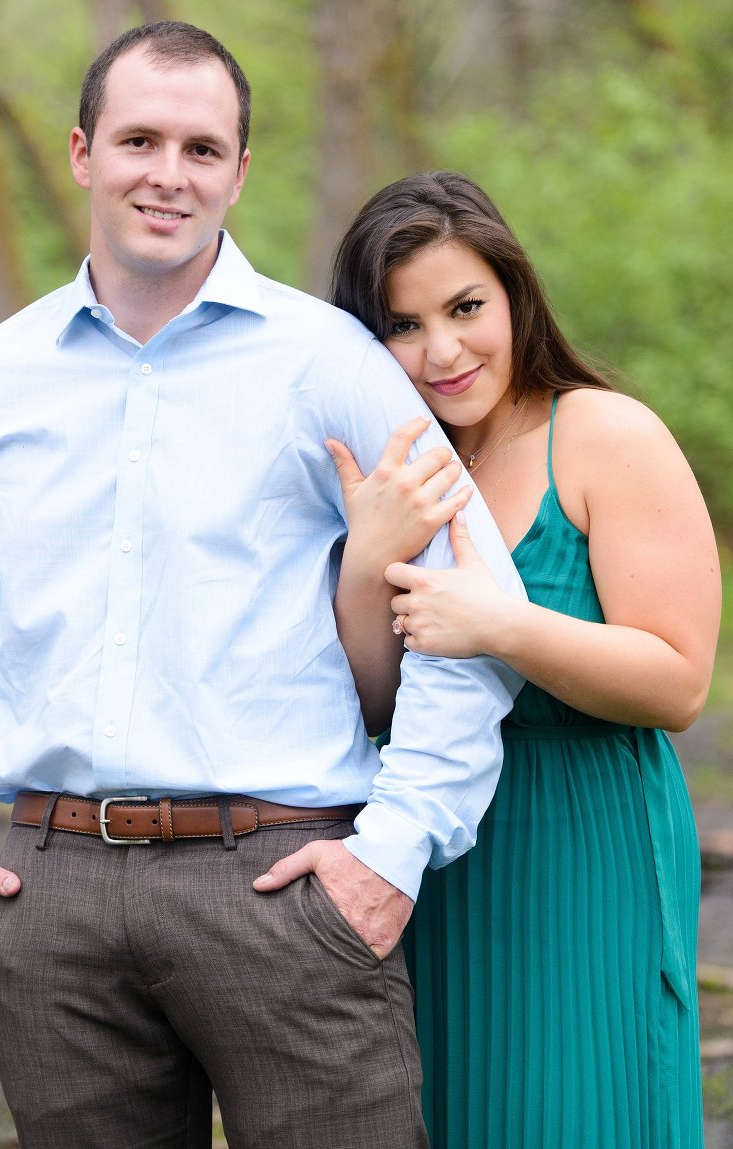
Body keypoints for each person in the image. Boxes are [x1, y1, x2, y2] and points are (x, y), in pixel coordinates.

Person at [0, 26, 527, 1149]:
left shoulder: (329, 363)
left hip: (281, 884)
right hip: (45, 896)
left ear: (239, 172)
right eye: (138, 139)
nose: (167, 174)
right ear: (82, 152)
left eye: (201, 148)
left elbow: (479, 609)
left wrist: (396, 847)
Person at [328, 169, 720, 1148]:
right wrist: (366, 562)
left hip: (590, 844)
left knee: (575, 1113)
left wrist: (501, 625)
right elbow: (373, 700)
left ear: (515, 293)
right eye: (405, 325)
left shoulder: (600, 435)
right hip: (441, 852)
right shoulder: (401, 468)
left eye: (466, 307)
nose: (444, 350)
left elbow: (679, 682)